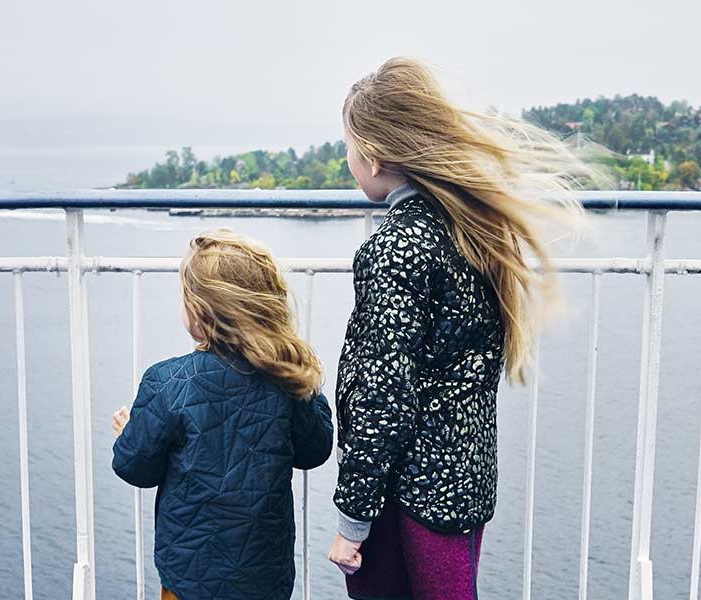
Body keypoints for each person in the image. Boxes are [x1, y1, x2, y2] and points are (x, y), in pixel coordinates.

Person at [326, 57, 592, 599]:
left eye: (349, 145)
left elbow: (384, 396)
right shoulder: (473, 230)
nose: (348, 157)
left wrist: (352, 522)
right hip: (465, 484)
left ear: (373, 157)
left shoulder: (396, 249)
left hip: (408, 494)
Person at [112, 228, 335, 600]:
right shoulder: (286, 378)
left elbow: (136, 468)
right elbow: (315, 450)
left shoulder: (166, 381)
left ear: (199, 312)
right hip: (265, 578)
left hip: (189, 578)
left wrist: (127, 435)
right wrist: (307, 386)